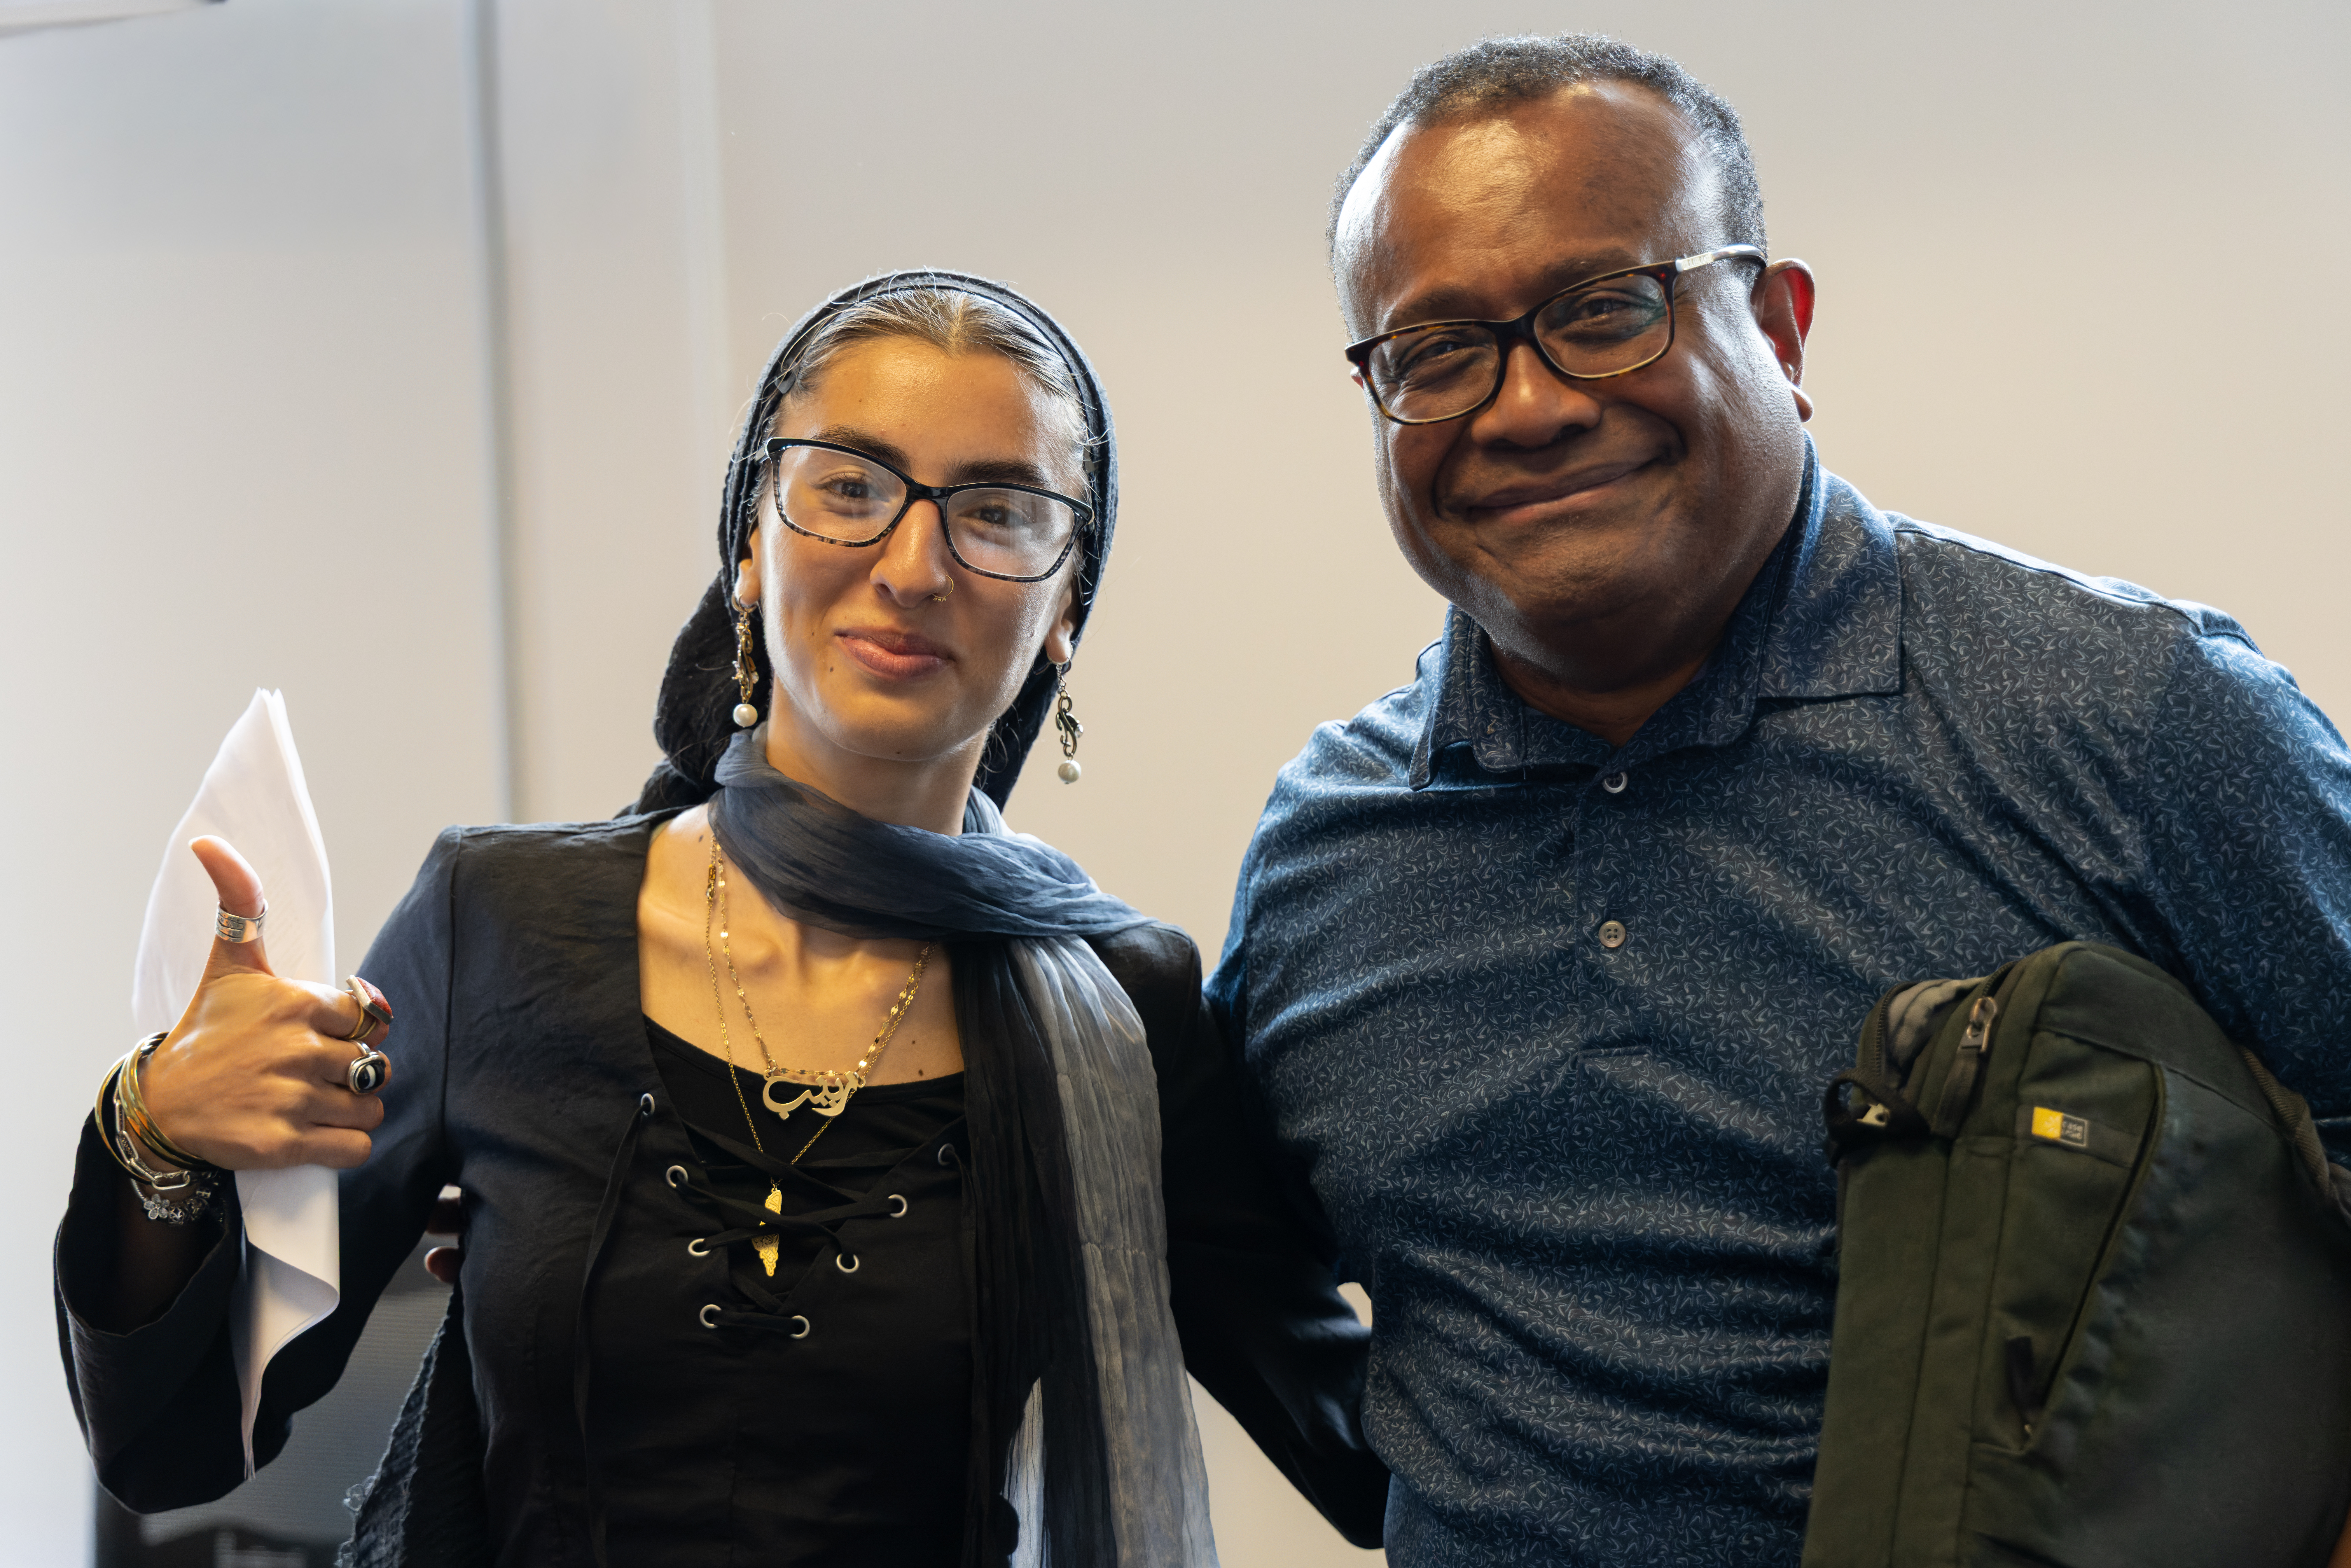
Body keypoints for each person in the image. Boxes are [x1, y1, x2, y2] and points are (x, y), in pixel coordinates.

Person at [1207, 33, 2351, 1566]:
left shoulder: (2136, 721)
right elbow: (1255, 1275)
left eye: (1603, 308)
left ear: (1779, 328)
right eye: (1434, 353)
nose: (1526, 404)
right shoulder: (1324, 856)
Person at [57, 270, 1388, 1567]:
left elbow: (1371, 1453)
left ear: (1064, 613)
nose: (913, 565)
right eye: (849, 490)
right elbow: (174, 1451)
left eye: (995, 510)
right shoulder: (498, 921)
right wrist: (153, 1129)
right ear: (752, 545)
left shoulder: (1125, 1007)